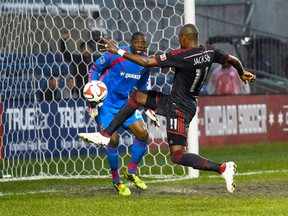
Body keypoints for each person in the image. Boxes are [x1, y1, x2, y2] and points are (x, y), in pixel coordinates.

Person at [79, 24, 256, 193]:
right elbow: (233, 59)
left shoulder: (181, 55)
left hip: (179, 108)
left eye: (180, 38)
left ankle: (223, 168)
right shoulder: (210, 51)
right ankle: (105, 135)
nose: (179, 42)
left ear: (186, 38)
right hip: (177, 101)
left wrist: (118, 50)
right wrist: (241, 72)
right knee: (138, 96)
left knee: (177, 156)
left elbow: (147, 62)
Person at [83, 32, 160, 195]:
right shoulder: (115, 53)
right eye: (137, 42)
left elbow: (142, 84)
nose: (140, 45)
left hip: (125, 103)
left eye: (143, 43)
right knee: (113, 139)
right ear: (130, 43)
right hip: (105, 104)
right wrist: (92, 90)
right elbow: (95, 68)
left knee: (142, 134)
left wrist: (148, 106)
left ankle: (131, 172)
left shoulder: (145, 63)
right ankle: (117, 180)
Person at [60, 31, 101, 98]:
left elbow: (107, 58)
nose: (86, 49)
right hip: (79, 88)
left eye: (88, 47)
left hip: (93, 88)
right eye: (84, 47)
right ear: (81, 49)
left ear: (91, 49)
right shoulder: (77, 59)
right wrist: (63, 40)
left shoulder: (95, 60)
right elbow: (65, 53)